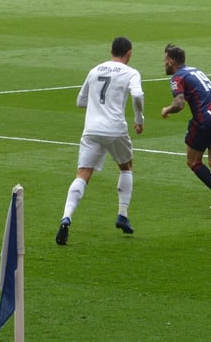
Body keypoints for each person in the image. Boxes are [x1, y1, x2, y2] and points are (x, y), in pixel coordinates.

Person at [55, 36, 145, 245]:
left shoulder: (95, 70)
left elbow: (80, 101)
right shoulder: (131, 72)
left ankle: (66, 217)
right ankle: (122, 214)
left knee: (82, 174)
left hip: (91, 129)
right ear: (129, 53)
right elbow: (138, 95)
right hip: (115, 128)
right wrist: (139, 119)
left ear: (110, 50)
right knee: (126, 167)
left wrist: (97, 108)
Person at [161, 44, 211, 210]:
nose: (163, 64)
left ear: (170, 61)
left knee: (193, 161)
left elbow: (180, 103)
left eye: (164, 60)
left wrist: (167, 109)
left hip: (205, 119)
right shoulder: (196, 70)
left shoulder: (177, 78)